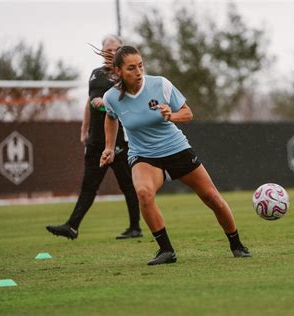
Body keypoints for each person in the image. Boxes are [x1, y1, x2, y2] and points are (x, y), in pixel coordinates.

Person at [100, 45, 252, 265]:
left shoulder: (160, 84)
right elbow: (111, 117)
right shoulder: (111, 98)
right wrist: (108, 147)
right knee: (143, 193)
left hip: (176, 149)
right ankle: (166, 251)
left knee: (212, 198)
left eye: (141, 65)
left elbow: (188, 113)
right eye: (131, 68)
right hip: (144, 156)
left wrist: (171, 115)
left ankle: (237, 244)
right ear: (118, 71)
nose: (139, 72)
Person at [46, 36, 142, 240]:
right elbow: (89, 102)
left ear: (121, 51)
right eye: (107, 50)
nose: (110, 53)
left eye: (115, 49)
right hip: (96, 141)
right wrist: (84, 128)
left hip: (118, 141)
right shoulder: (95, 74)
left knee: (128, 185)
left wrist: (105, 104)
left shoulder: (125, 75)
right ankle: (72, 226)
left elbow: (130, 104)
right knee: (89, 186)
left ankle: (135, 227)